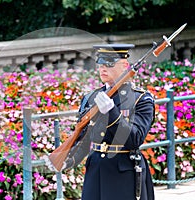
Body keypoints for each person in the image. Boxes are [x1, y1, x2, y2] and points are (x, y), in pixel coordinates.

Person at [47, 44, 155, 200]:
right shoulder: (91, 98)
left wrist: (112, 112)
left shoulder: (140, 99)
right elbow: (83, 138)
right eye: (101, 64)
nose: (103, 69)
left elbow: (134, 139)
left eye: (109, 65)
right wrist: (66, 159)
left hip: (124, 172)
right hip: (95, 170)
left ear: (125, 66)